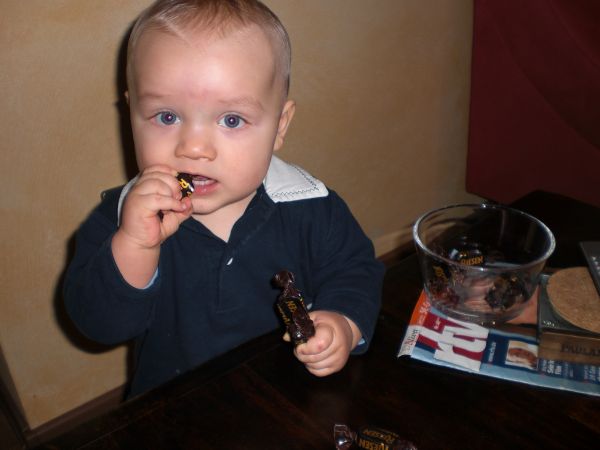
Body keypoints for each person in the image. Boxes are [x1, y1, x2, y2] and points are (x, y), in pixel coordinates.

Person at [64, 0, 384, 398]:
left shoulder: (313, 207)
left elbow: (356, 272)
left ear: (279, 126)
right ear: (132, 114)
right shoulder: (122, 219)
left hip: (288, 399)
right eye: (166, 117)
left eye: (231, 120)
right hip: (172, 408)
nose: (194, 148)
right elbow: (100, 325)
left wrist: (343, 323)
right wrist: (134, 246)